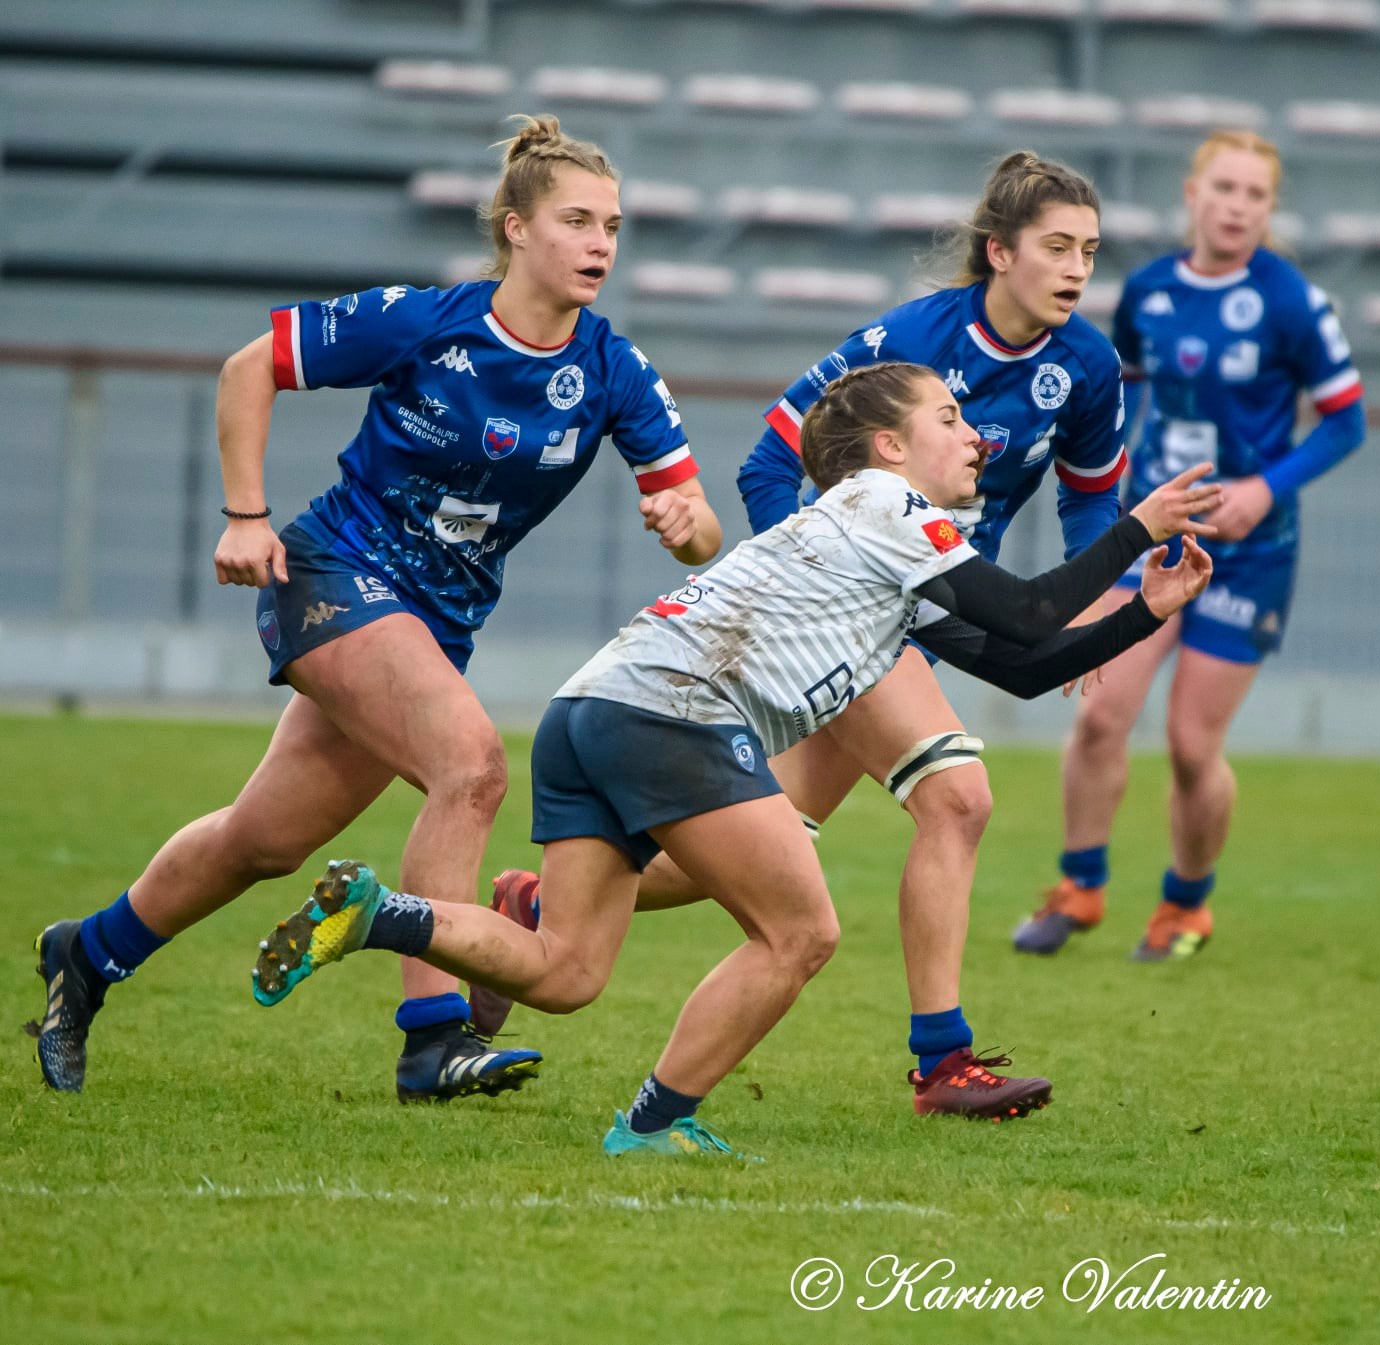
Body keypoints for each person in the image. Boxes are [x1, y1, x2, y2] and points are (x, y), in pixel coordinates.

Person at [248, 362, 1216, 1156]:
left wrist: (1144, 610)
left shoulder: (866, 537)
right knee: (800, 931)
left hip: (590, 706)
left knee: (566, 970)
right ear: (888, 446)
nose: (975, 436)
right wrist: (1138, 528)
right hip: (671, 713)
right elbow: (1029, 611)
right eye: (950, 417)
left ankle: (381, 912)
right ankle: (654, 1124)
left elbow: (1019, 660)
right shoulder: (886, 501)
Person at [30, 114, 721, 1102]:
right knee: (470, 766)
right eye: (577, 221)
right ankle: (432, 1037)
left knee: (262, 841)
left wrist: (686, 518)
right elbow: (246, 369)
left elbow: (700, 533)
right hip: (331, 571)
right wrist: (244, 517)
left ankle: (87, 955)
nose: (601, 244)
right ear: (516, 228)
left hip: (431, 625)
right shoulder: (428, 321)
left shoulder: (613, 368)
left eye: (612, 225)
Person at [482, 151, 1133, 1116]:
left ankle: (537, 908)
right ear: (999, 252)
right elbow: (764, 460)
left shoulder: (1086, 365)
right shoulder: (909, 342)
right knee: (957, 799)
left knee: (763, 841)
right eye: (1056, 246)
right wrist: (819, 583)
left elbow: (1090, 496)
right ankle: (942, 1060)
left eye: (1088, 248)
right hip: (882, 597)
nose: (1076, 268)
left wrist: (1084, 606)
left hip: (950, 599)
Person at [1013, 130, 1366, 962]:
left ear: (1268, 210)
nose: (1238, 206)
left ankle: (1184, 905)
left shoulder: (1291, 302)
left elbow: (1345, 420)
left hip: (1250, 549)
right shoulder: (1147, 291)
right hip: (1153, 530)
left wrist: (1262, 488)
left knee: (1189, 744)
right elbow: (1122, 397)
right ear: (1193, 195)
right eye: (1225, 188)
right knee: (1098, 713)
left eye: (1256, 194)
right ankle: (1080, 887)